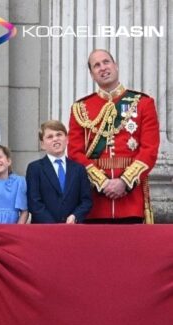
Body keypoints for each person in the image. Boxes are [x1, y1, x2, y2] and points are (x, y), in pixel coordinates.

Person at [67, 49, 160, 224]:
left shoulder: (143, 103)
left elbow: (149, 149)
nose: (102, 68)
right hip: (94, 202)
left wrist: (124, 181)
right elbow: (74, 153)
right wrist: (102, 183)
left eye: (106, 62)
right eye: (96, 65)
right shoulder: (80, 108)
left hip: (131, 200)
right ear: (92, 74)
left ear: (115, 66)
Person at [26, 120, 92, 224]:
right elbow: (34, 203)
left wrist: (75, 216)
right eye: (50, 137)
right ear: (42, 144)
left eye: (59, 135)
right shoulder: (35, 168)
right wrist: (54, 226)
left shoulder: (78, 169)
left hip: (72, 229)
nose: (55, 139)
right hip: (44, 230)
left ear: (67, 139)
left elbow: (86, 200)